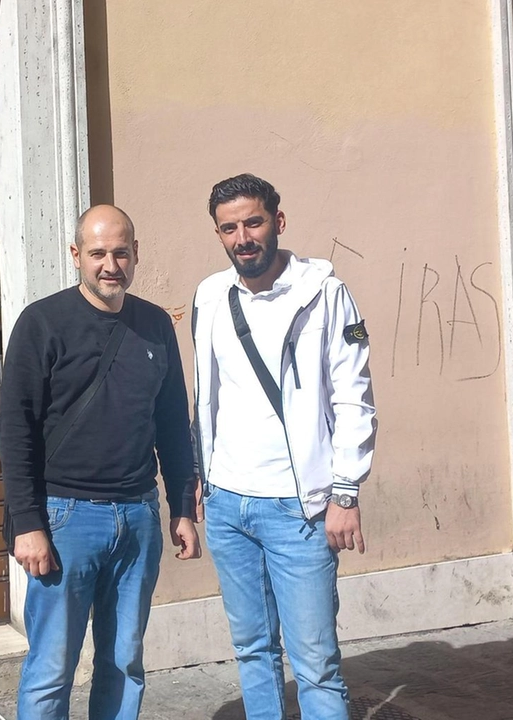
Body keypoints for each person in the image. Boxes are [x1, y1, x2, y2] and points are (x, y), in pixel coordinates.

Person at [0, 205, 202, 720]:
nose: (110, 265)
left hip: (137, 517)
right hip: (65, 518)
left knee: (124, 662)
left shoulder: (155, 324)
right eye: (97, 254)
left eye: (120, 252)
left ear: (136, 255)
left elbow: (174, 423)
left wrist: (181, 506)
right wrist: (27, 523)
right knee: (51, 668)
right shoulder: (42, 323)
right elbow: (15, 428)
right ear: (76, 256)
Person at [191, 174, 377, 719]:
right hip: (227, 504)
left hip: (300, 508)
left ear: (278, 221)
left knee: (316, 664)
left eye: (253, 222)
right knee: (252, 651)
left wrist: (345, 492)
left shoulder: (325, 293)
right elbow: (207, 395)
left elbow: (354, 398)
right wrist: (199, 478)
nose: (243, 237)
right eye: (229, 228)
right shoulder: (210, 295)